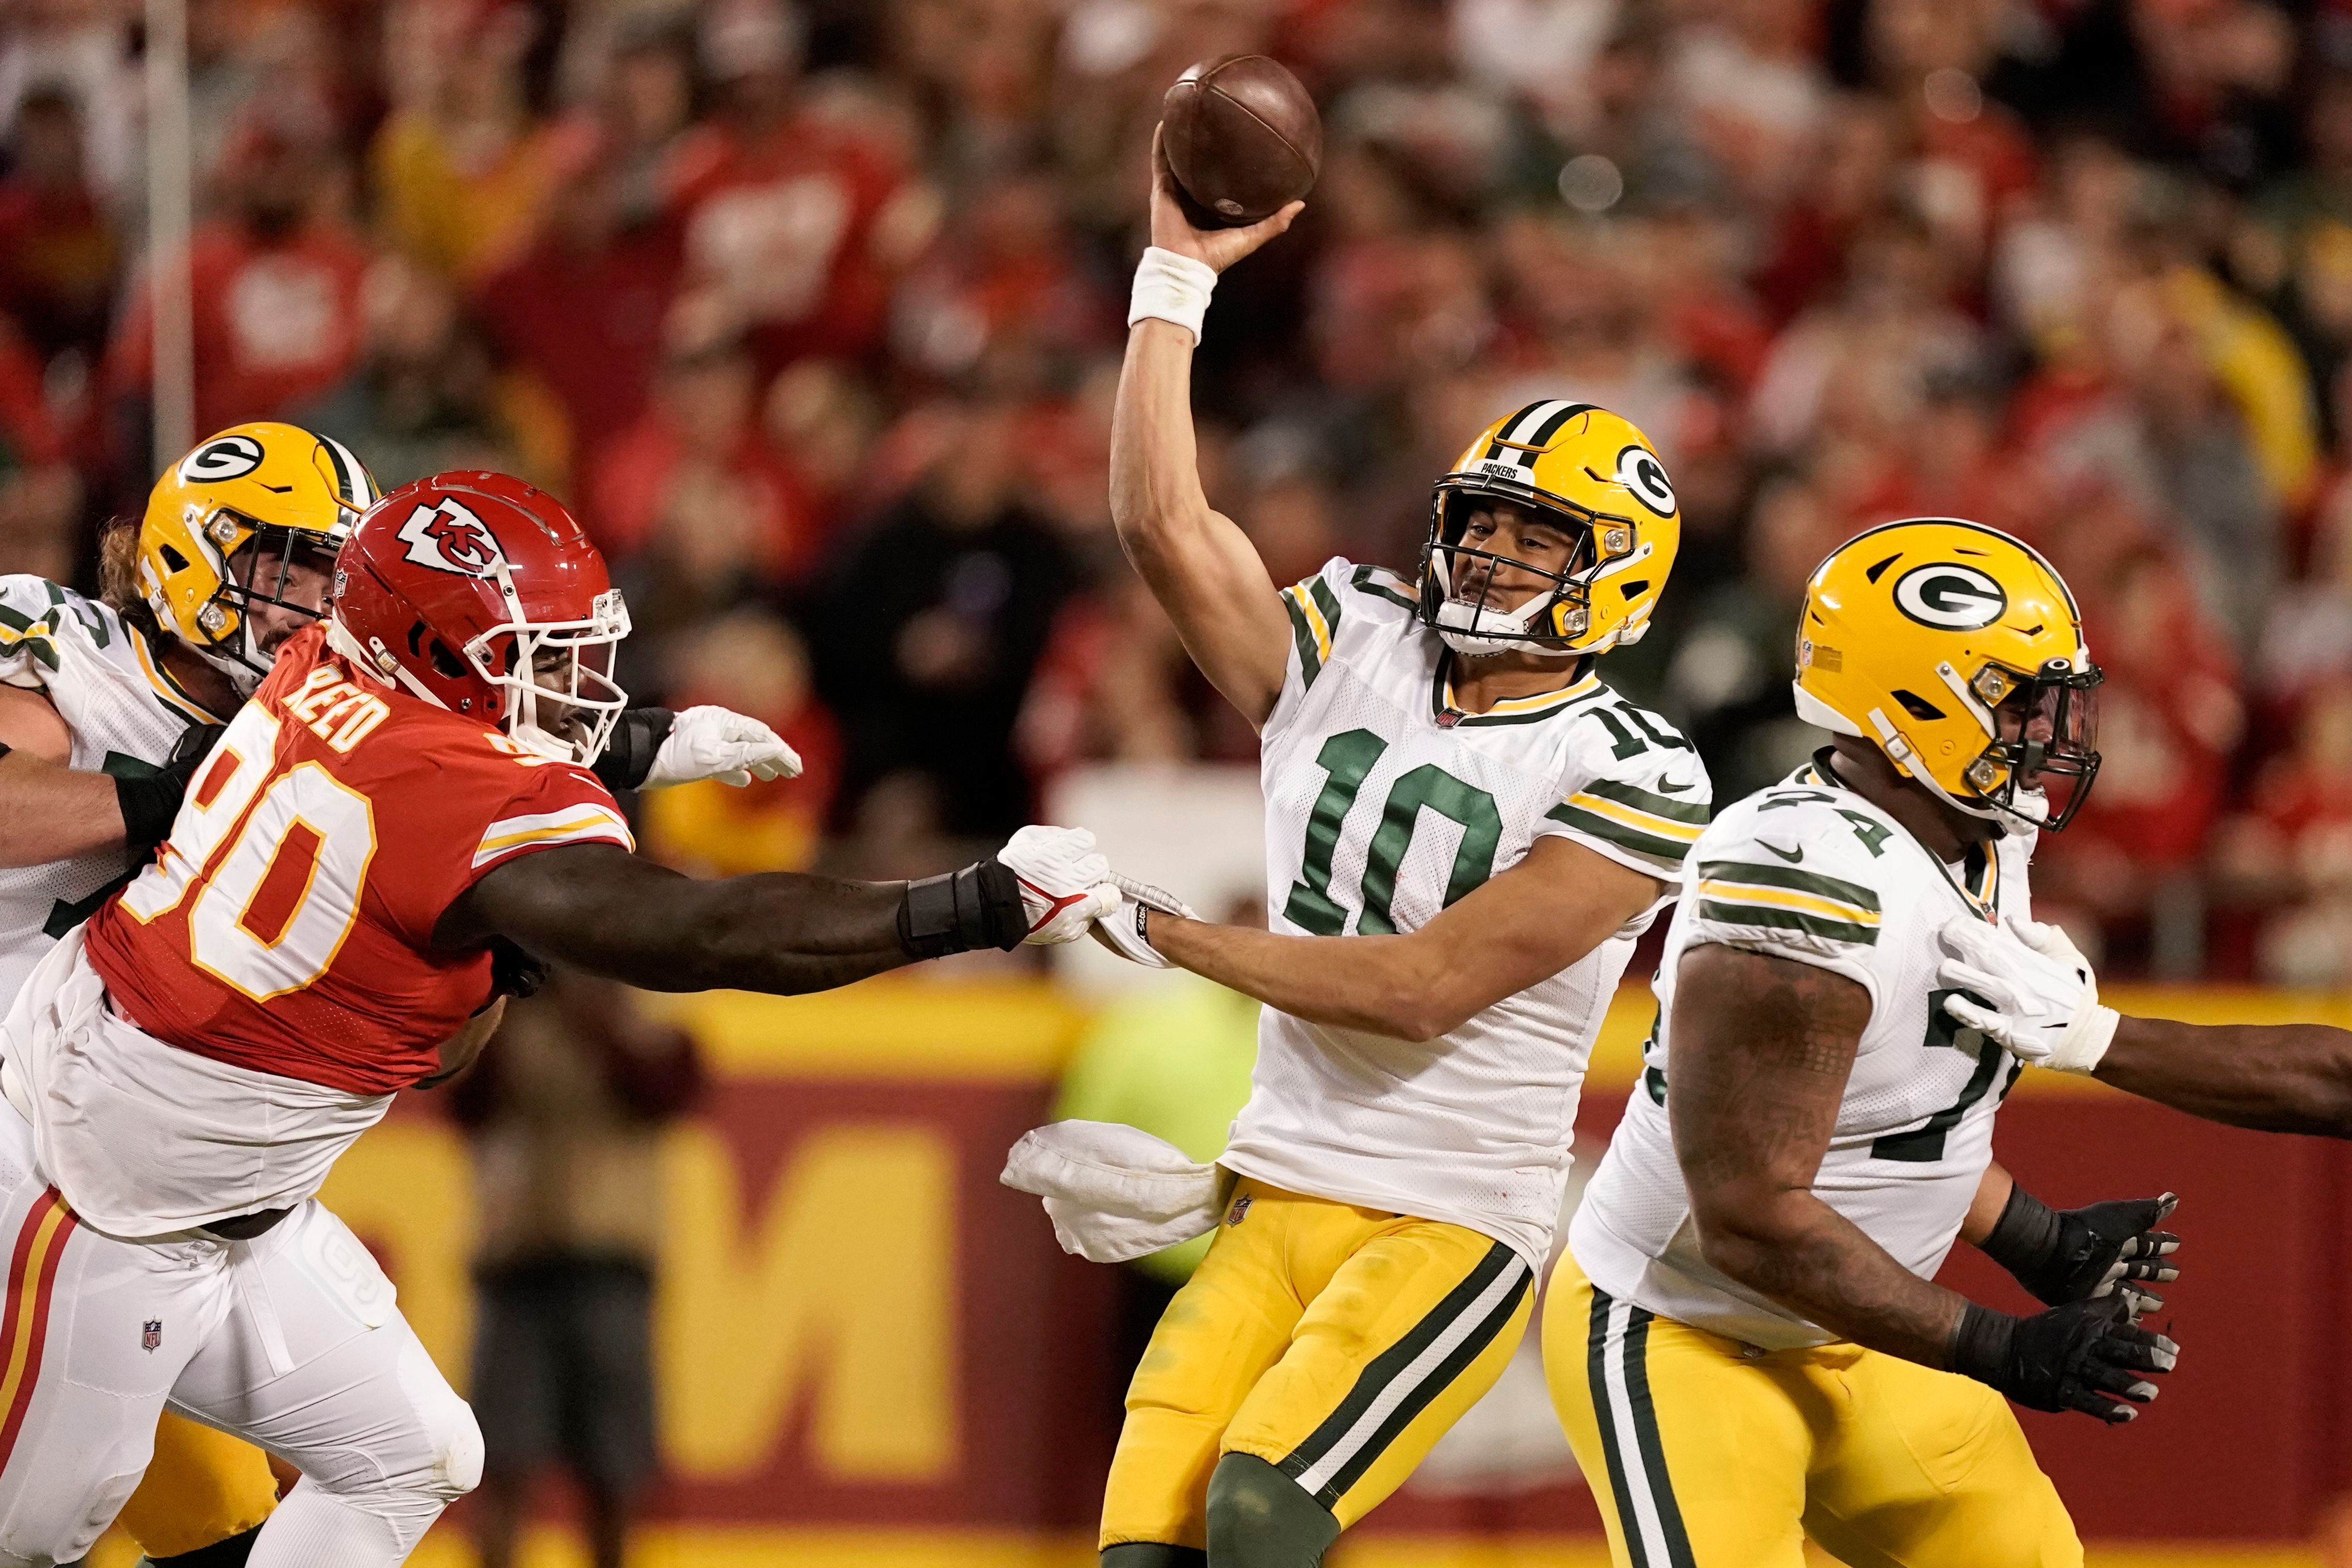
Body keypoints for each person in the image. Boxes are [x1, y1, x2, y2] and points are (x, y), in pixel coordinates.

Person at [0, 469, 1120, 1564]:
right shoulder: (445, 793)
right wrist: (977, 903)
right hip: (94, 1193)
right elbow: (708, 935)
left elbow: (439, 979)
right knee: (34, 1532)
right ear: (438, 653)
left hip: (214, 1176)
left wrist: (649, 740)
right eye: (541, 653)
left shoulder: (316, 656)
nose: (579, 676)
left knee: (414, 1454)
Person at [1048, 133, 1714, 1568]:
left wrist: (1160, 930)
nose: (1487, 561)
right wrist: (1174, 278)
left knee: (1260, 1514)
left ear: (1615, 576)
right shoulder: (1354, 640)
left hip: (1450, 1221)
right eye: (1480, 528)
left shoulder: (1632, 765)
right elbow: (1161, 521)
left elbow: (1424, 986)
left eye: (1536, 544)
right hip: (1268, 1187)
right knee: (1139, 1549)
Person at [1553, 518, 2184, 1568]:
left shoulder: (1978, 833)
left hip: (1859, 1324)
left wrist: (2036, 1234)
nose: (2045, 727)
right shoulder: (1802, 874)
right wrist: (2001, 1344)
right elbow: (1751, 1214)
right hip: (1684, 1323)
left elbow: (1892, 1116)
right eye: (2018, 694)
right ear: (1915, 695)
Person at [0, 420, 365, 1567]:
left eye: (331, 573)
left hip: (115, 1157)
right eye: (290, 564)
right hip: (18, 1129)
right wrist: (181, 801)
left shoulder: (309, 736)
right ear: (197, 554)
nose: (314, 600)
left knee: (239, 1500)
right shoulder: (67, 643)